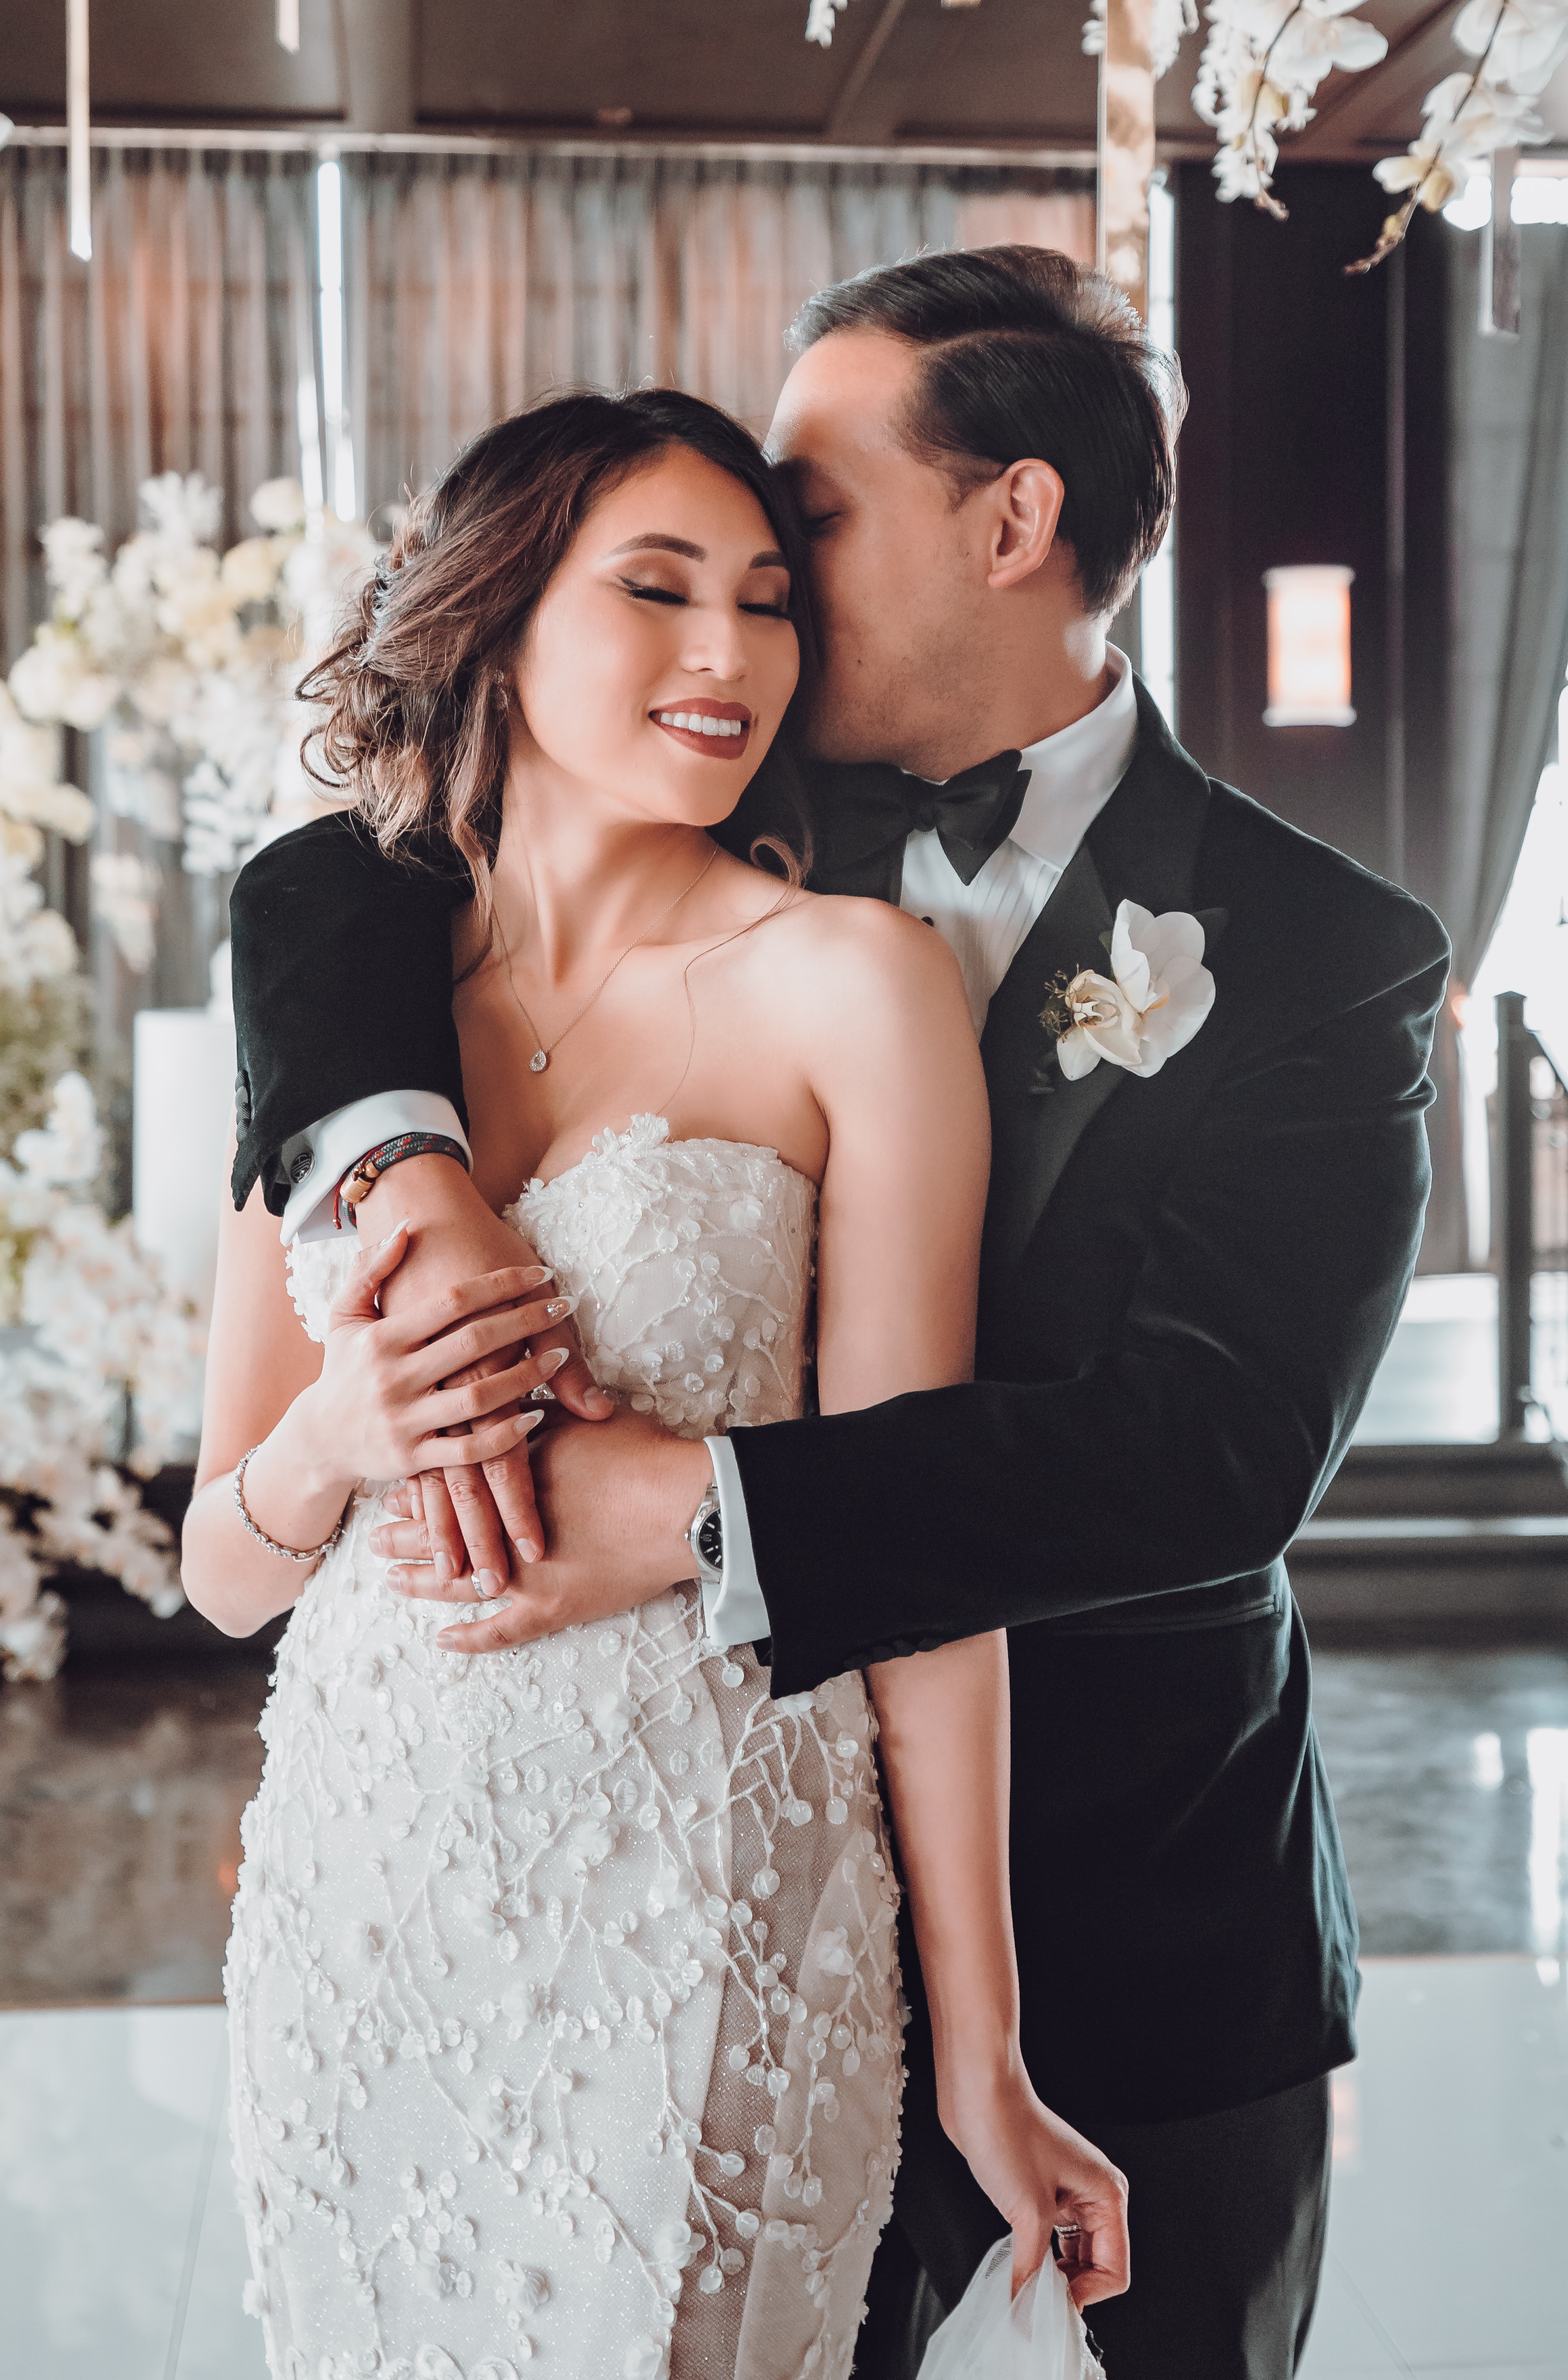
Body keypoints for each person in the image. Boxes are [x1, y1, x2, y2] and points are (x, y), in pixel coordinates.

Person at [226, 247, 1452, 2380]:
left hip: (1131, 1905)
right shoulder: (708, 796)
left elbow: (1218, 1455)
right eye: (700, 570)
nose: (751, 604)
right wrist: (397, 1156)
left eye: (802, 526)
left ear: (1013, 523)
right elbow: (332, 874)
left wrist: (696, 1507)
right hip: (660, 1890)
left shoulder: (1322, 953)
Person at [186, 384, 1129, 2380]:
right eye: (658, 589)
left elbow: (919, 1550)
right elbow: (219, 1568)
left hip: (708, 1886)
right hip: (369, 1905)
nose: (731, 654)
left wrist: (988, 2052)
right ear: (501, 628)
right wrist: (330, 1440)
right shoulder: (334, 1000)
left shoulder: (847, 983)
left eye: (769, 599)